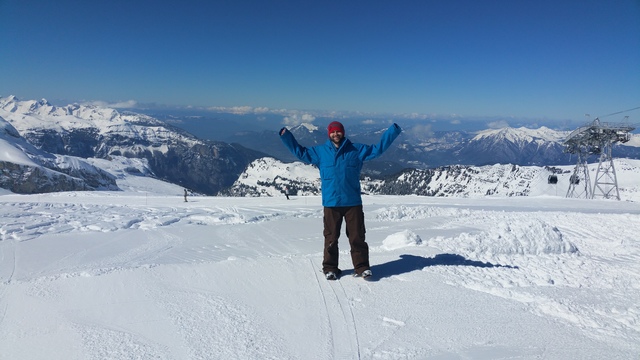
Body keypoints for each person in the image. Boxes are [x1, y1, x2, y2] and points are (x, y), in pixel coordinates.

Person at [279, 121, 402, 280]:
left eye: (338, 131)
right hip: (331, 203)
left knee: (357, 237)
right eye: (332, 132)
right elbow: (301, 153)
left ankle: (362, 267)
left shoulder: (356, 150)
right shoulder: (321, 152)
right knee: (331, 238)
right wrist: (286, 136)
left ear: (343, 133)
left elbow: (377, 150)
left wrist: (393, 131)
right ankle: (330, 268)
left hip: (353, 202)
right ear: (329, 134)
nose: (335, 134)